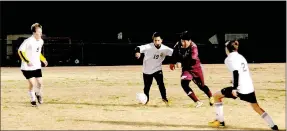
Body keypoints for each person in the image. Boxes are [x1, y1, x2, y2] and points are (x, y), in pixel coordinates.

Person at [208, 40, 279, 130]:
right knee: (256, 107)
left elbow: (235, 72)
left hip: (239, 89)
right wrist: (233, 81)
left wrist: (234, 88)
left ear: (227, 49)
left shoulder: (228, 59)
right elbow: (241, 72)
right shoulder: (241, 57)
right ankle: (273, 125)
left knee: (216, 96)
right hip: (249, 87)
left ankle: (220, 121)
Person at [170, 31, 214, 108]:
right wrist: (173, 62)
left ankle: (211, 97)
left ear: (189, 41)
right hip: (186, 69)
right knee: (184, 84)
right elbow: (174, 53)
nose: (182, 43)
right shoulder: (178, 44)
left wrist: (181, 62)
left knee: (201, 86)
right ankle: (197, 102)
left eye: (184, 41)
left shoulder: (194, 47)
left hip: (196, 68)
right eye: (182, 41)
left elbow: (193, 59)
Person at [135, 32, 173, 105]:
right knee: (147, 87)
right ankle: (146, 100)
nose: (157, 42)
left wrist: (173, 62)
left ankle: (165, 99)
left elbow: (175, 54)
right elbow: (138, 47)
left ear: (161, 40)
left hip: (157, 69)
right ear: (153, 40)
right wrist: (138, 52)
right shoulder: (148, 46)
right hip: (147, 70)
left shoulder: (165, 49)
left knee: (161, 84)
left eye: (158, 40)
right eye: (155, 40)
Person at [18, 23, 48, 107]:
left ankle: (38, 94)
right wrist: (27, 61)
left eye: (41, 31)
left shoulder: (41, 41)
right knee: (32, 83)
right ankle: (33, 99)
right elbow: (20, 51)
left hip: (37, 66)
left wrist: (43, 59)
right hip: (27, 67)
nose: (41, 33)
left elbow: (38, 53)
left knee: (40, 83)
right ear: (34, 32)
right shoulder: (28, 41)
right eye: (39, 32)